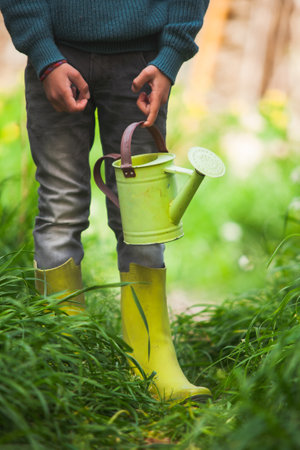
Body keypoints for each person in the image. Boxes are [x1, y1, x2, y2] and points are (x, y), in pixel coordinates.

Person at [1, 0, 211, 402]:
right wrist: (44, 56)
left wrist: (170, 57)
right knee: (60, 208)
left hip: (143, 60)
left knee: (143, 216)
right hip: (58, 56)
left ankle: (153, 359)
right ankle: (65, 362)